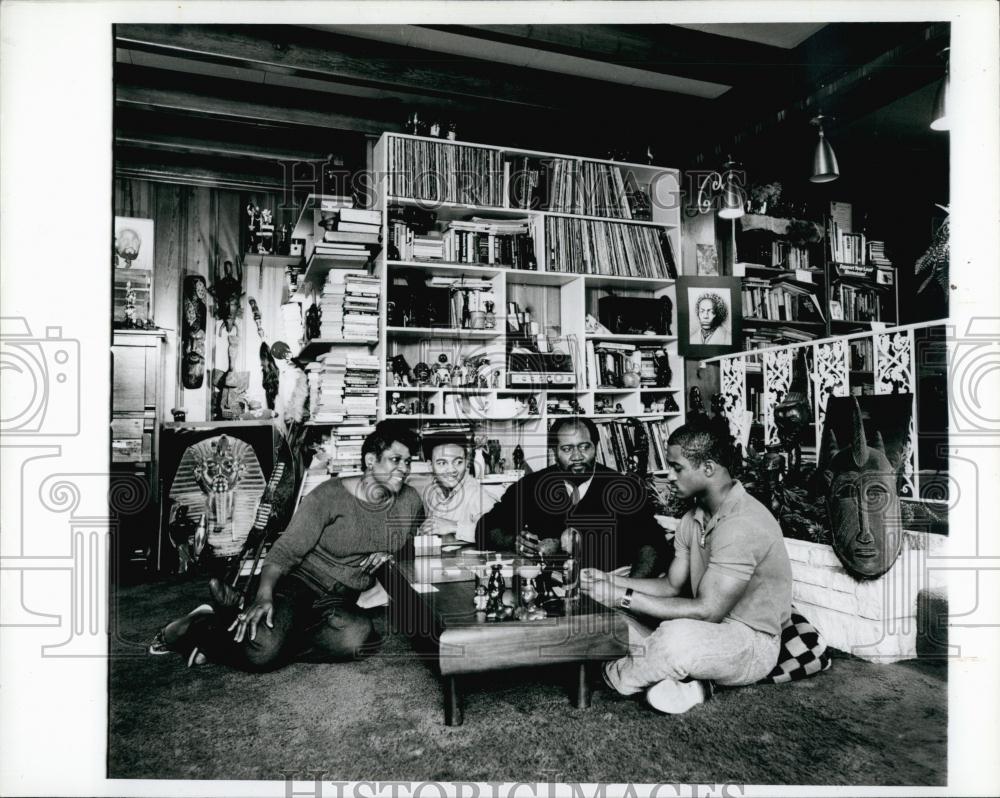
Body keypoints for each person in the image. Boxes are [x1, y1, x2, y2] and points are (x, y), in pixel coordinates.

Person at [152, 420, 424, 671]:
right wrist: (264, 595)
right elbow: (285, 550)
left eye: (408, 462)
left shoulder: (410, 501)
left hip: (340, 598)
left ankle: (245, 626)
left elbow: (411, 544)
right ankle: (201, 625)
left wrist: (386, 566)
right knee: (262, 654)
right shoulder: (329, 495)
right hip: (298, 583)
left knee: (357, 640)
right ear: (370, 461)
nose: (404, 469)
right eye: (395, 460)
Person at [583, 422, 792, 714]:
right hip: (701, 628)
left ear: (707, 468)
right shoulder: (692, 518)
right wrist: (608, 583)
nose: (669, 476)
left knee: (673, 639)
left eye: (677, 468)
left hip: (749, 642)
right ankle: (684, 681)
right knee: (602, 606)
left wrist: (624, 596)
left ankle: (618, 674)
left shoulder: (743, 523)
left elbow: (708, 610)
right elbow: (670, 585)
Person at [475, 416, 669, 577]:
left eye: (585, 447)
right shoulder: (531, 486)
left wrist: (630, 591)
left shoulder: (625, 488)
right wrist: (514, 542)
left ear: (596, 447)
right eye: (567, 449)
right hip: (546, 582)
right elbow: (485, 529)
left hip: (610, 581)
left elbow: (652, 544)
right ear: (554, 452)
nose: (577, 456)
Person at [418, 431, 502, 543]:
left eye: (458, 462)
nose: (452, 470)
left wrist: (454, 527)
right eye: (442, 463)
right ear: (430, 466)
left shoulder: (477, 494)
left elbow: (499, 533)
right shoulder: (431, 491)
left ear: (466, 461)